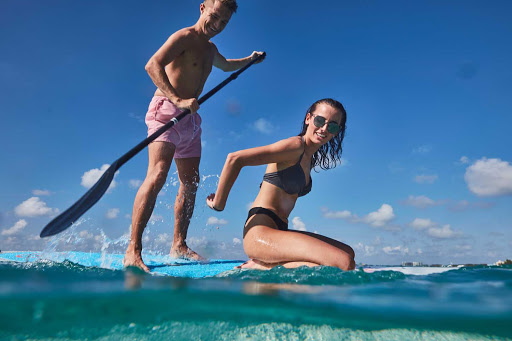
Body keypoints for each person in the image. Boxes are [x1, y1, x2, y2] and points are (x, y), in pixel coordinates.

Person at [124, 0, 265, 272]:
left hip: (190, 119)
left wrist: (250, 60)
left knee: (190, 182)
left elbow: (226, 66)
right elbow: (152, 65)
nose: (217, 25)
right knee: (158, 174)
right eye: (214, 16)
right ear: (202, 8)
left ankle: (179, 244)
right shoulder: (184, 36)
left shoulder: (211, 50)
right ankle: (133, 250)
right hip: (166, 111)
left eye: (224, 22)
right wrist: (177, 98)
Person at [206, 98, 355, 271]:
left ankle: (269, 263)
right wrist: (218, 204)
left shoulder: (308, 158)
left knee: (347, 252)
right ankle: (260, 266)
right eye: (320, 121)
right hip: (260, 232)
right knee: (344, 262)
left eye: (332, 126)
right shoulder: (295, 146)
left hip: (279, 231)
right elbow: (235, 159)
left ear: (336, 132)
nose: (324, 129)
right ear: (308, 118)